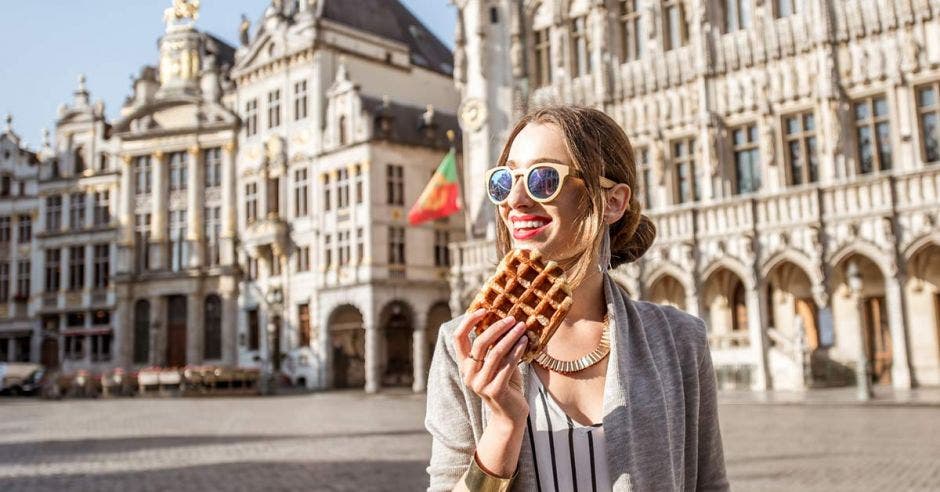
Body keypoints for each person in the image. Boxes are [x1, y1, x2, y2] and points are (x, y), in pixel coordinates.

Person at [425, 106, 729, 491]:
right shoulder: (464, 347)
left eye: (543, 178)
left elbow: (709, 485)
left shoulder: (680, 341)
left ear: (614, 202)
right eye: (504, 181)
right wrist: (503, 427)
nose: (515, 200)